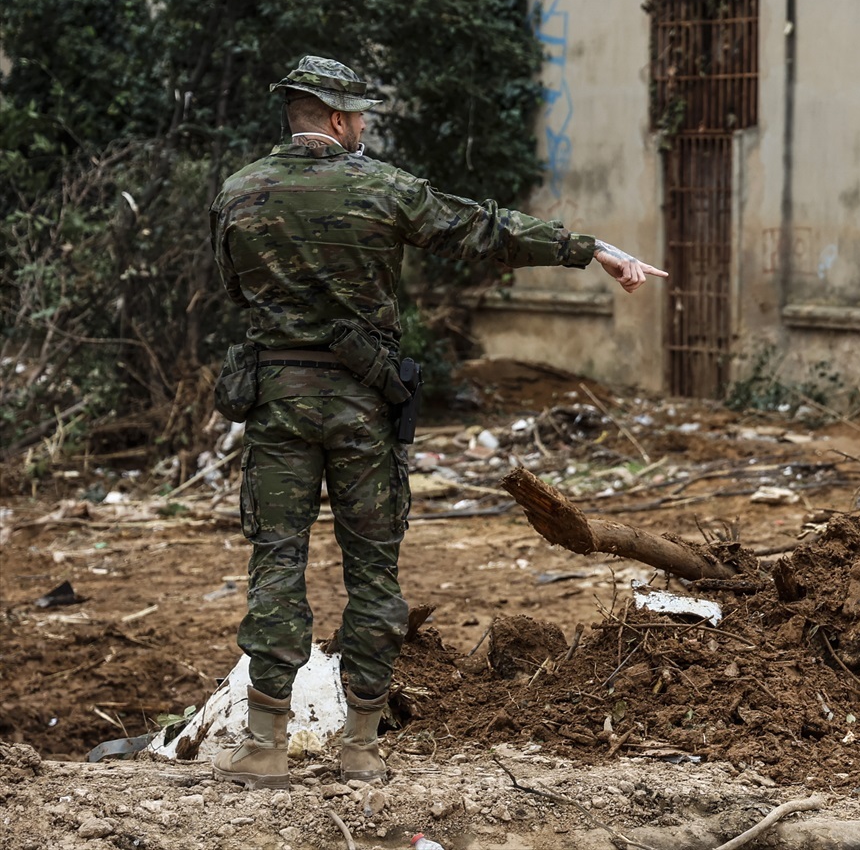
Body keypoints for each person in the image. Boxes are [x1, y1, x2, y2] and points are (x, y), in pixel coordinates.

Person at [208, 56, 664, 789]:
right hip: (363, 405)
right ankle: (360, 749)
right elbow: (481, 230)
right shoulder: (382, 187)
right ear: (336, 117)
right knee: (373, 572)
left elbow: (235, 289)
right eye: (359, 116)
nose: (362, 126)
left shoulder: (238, 191)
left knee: (276, 564)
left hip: (277, 402)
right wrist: (590, 250)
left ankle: (264, 746)